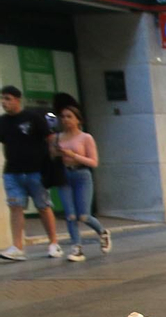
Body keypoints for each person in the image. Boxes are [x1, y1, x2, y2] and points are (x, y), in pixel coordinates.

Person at [0, 86, 59, 262]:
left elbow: (50, 140)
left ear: (18, 100)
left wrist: (51, 164)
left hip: (36, 171)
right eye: (2, 99)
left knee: (43, 206)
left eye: (8, 99)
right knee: (15, 207)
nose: (4, 102)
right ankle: (18, 247)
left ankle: (53, 243)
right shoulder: (2, 121)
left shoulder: (33, 117)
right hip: (12, 172)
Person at [53, 105, 110, 262]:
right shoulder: (58, 137)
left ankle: (102, 232)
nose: (65, 119)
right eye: (63, 116)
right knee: (70, 216)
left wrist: (74, 155)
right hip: (64, 175)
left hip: (81, 175)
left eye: (69, 116)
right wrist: (56, 153)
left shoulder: (86, 138)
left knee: (83, 215)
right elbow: (51, 157)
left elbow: (93, 162)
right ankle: (77, 247)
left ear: (78, 119)